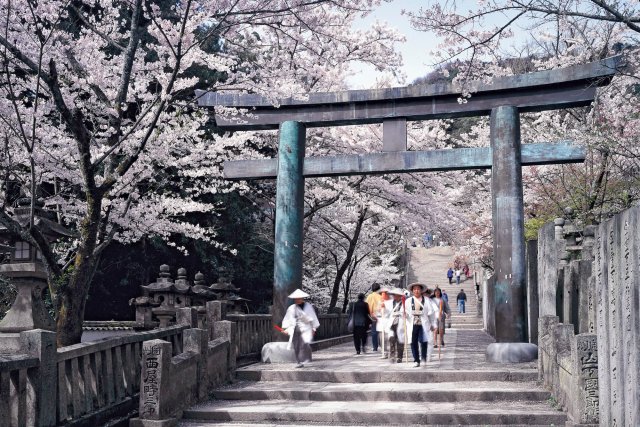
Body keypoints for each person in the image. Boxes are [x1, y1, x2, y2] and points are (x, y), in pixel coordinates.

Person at [281, 289, 320, 368]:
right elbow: (288, 318)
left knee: (303, 344)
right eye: (296, 298)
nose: (298, 300)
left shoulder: (308, 306)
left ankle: (303, 360)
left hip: (306, 328)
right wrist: (285, 328)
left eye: (299, 298)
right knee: (296, 345)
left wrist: (313, 328)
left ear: (302, 298)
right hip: (295, 328)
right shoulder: (292, 308)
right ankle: (299, 362)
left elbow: (313, 318)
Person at [405, 283, 437, 367]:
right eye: (414, 289)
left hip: (424, 323)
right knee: (413, 342)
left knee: (423, 341)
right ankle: (416, 360)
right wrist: (404, 314)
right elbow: (406, 313)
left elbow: (431, 313)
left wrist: (433, 324)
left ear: (421, 290)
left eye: (418, 289)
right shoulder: (408, 301)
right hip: (413, 323)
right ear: (412, 291)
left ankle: (423, 358)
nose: (416, 291)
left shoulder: (426, 300)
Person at [385, 288, 407, 363]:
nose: (395, 297)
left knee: (400, 340)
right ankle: (392, 355)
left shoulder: (404, 303)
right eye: (395, 295)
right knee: (392, 339)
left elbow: (408, 313)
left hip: (400, 323)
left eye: (397, 296)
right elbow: (386, 312)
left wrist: (404, 313)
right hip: (392, 323)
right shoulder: (390, 303)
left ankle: (399, 356)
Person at [365, 283, 382, 351]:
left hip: (372, 315)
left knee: (374, 331)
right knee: (381, 330)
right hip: (380, 315)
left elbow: (367, 306)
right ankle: (381, 345)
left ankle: (375, 347)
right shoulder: (381, 296)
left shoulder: (369, 296)